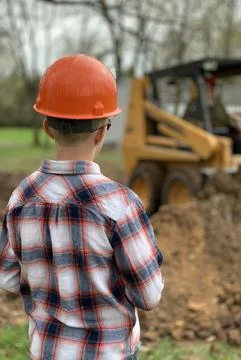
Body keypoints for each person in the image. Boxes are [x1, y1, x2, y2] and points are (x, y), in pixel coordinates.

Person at [0, 54, 164, 360]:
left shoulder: (21, 197)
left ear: (47, 126)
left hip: (46, 351)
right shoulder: (120, 205)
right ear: (102, 131)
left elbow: (8, 278)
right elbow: (149, 294)